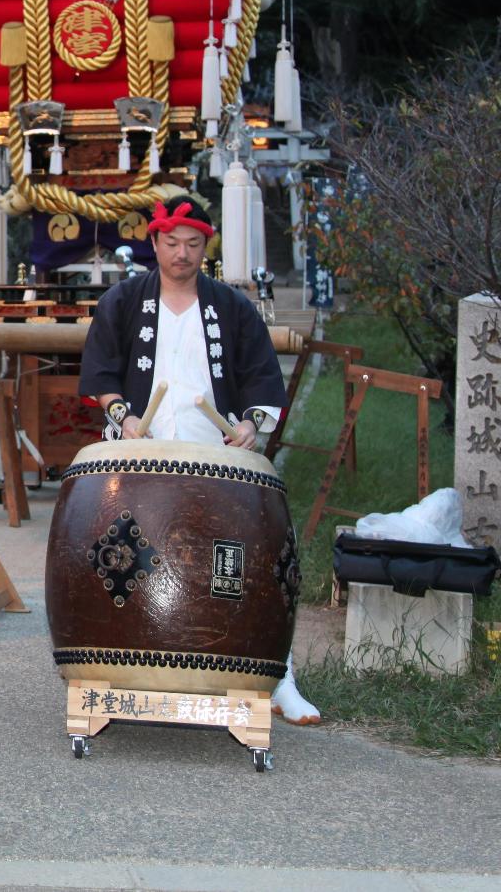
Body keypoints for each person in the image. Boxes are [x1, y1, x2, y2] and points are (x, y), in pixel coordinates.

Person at [76, 195, 321, 723]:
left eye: (191, 244)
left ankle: (277, 677)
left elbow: (261, 377)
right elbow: (100, 373)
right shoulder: (123, 301)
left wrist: (250, 424)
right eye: (171, 242)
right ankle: (121, 666)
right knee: (127, 566)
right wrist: (122, 414)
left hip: (215, 460)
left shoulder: (231, 308)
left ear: (204, 246)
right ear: (155, 242)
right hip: (139, 455)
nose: (181, 253)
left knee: (242, 566)